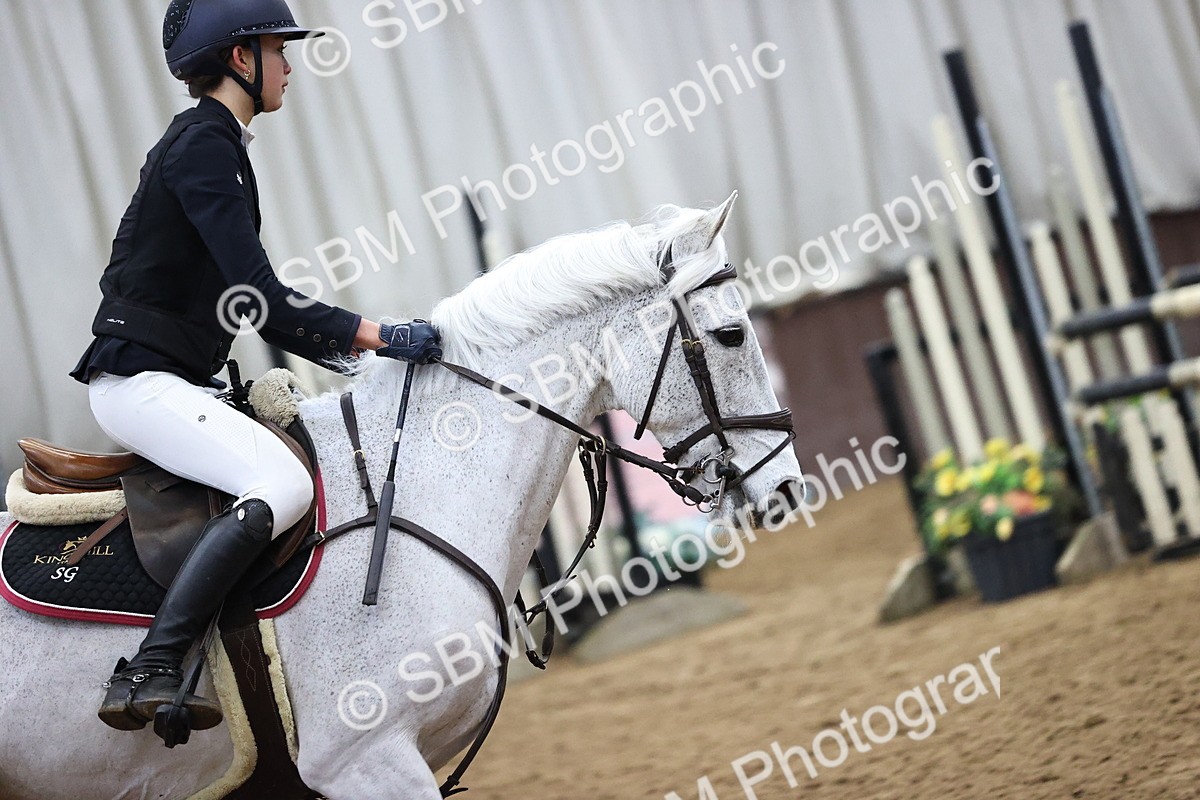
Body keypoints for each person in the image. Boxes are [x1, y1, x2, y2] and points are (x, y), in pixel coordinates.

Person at [70, 0, 441, 734]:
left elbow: (247, 305)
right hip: (140, 385)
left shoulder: (217, 142)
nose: (291, 66)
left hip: (172, 377)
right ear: (242, 59)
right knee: (282, 484)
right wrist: (381, 335)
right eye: (280, 50)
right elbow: (262, 299)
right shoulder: (205, 146)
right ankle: (153, 662)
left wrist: (361, 353)